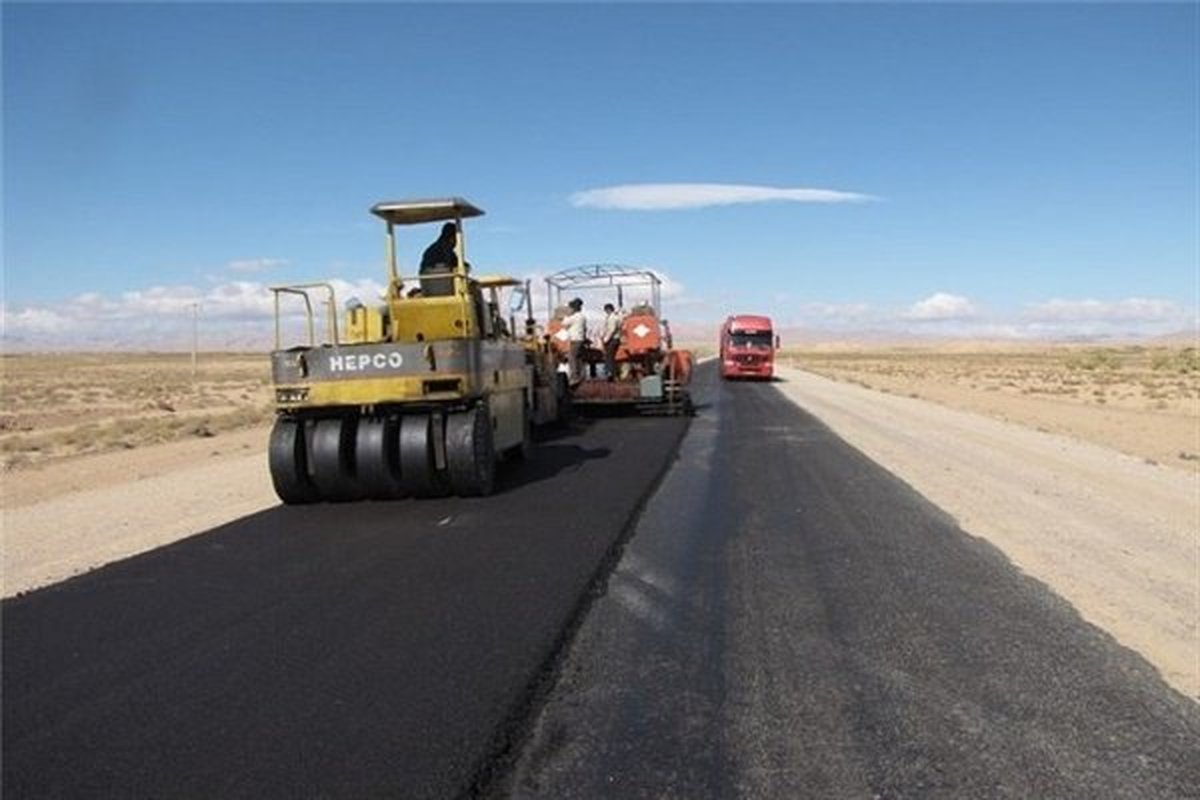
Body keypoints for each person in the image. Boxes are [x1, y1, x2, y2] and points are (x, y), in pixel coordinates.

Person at [419, 222, 459, 296]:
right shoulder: (447, 250)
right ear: (452, 238)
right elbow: (455, 265)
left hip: (428, 289)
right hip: (445, 288)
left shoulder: (431, 249)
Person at [562, 297, 587, 383]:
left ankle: (574, 377)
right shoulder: (582, 317)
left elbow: (564, 323)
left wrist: (566, 314)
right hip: (580, 339)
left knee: (572, 358)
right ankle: (581, 376)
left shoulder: (574, 317)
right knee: (578, 358)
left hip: (575, 340)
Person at [600, 302, 621, 381]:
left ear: (609, 309)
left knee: (609, 357)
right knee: (611, 357)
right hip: (614, 339)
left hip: (612, 339)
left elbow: (612, 330)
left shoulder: (612, 318)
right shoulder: (613, 317)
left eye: (606, 310)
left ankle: (611, 374)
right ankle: (612, 374)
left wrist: (606, 339)